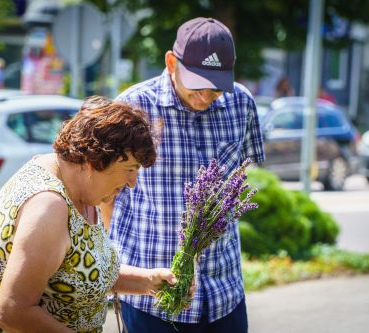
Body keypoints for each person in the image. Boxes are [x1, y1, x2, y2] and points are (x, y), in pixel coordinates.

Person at [0, 96, 177, 332]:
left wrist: (148, 281)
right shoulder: (48, 207)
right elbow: (12, 311)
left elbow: (79, 273)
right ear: (95, 160)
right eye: (129, 169)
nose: (132, 183)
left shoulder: (81, 189)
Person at [103, 17, 265, 333]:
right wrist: (119, 262)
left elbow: (245, 173)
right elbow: (108, 192)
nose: (205, 96)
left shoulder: (242, 103)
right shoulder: (133, 106)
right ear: (170, 62)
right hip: (153, 298)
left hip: (223, 292)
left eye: (216, 88)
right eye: (197, 84)